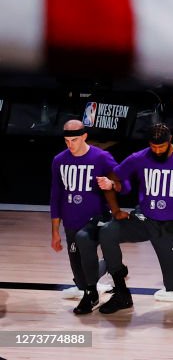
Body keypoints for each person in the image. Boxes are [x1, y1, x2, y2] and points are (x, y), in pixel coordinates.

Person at [95, 124, 173, 313]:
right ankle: (121, 292)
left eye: (161, 147)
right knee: (108, 232)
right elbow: (113, 177)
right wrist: (116, 209)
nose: (157, 150)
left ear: (170, 142)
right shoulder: (140, 157)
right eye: (153, 146)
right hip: (145, 218)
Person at [49, 120, 121, 315]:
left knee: (84, 243)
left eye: (74, 140)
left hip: (96, 219)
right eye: (66, 141)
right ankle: (111, 266)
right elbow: (55, 197)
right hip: (71, 221)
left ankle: (92, 295)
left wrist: (111, 184)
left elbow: (122, 181)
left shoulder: (101, 157)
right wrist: (55, 232)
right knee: (80, 280)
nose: (70, 144)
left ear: (84, 137)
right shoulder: (59, 161)